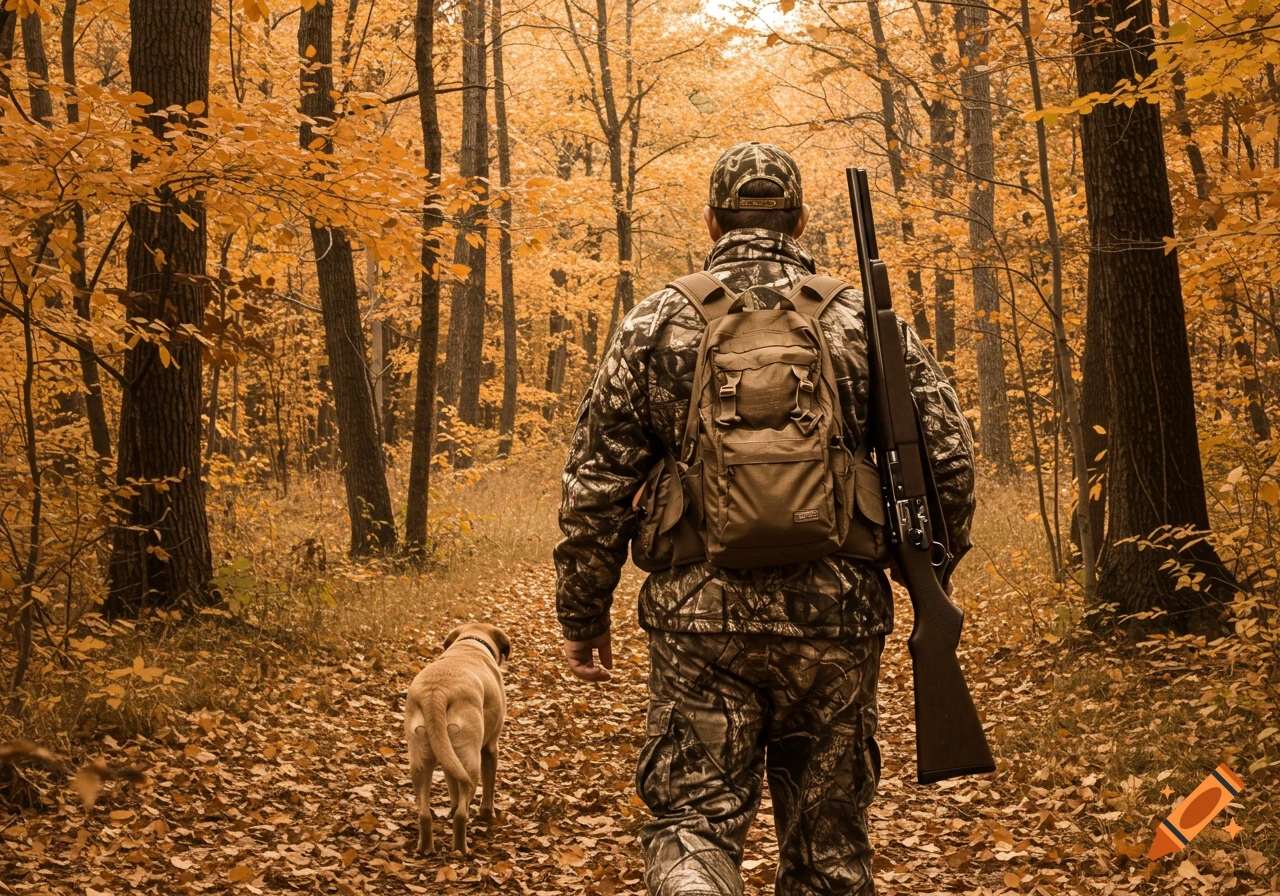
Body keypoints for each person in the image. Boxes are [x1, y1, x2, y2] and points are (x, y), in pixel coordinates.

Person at [554, 142, 976, 896]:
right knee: (829, 852)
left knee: (692, 823)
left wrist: (583, 612)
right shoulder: (860, 318)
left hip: (697, 622)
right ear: (802, 218)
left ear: (712, 219)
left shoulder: (655, 320)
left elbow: (596, 481)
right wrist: (926, 571)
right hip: (838, 620)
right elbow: (946, 459)